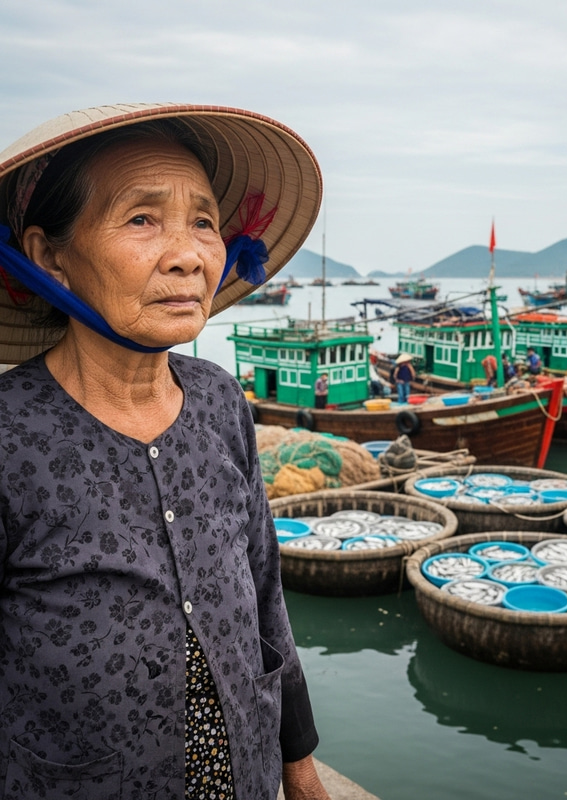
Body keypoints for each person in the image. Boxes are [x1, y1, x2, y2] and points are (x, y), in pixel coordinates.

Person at [0, 104, 330, 800]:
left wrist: (299, 770)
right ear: (48, 254)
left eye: (204, 222)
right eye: (143, 218)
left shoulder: (218, 400)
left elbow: (266, 598)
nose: (189, 254)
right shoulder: (9, 435)